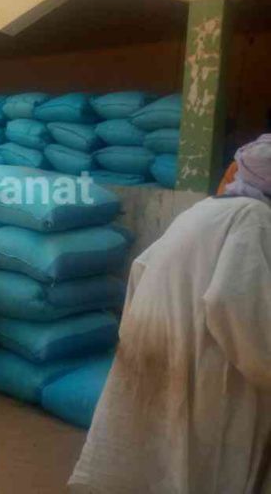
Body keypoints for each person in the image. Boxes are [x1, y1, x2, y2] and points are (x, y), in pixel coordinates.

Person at [69, 134, 271, 494]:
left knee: (150, 450)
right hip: (204, 352)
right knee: (198, 459)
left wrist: (132, 334)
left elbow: (140, 267)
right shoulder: (256, 219)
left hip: (156, 338)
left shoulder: (206, 209)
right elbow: (234, 303)